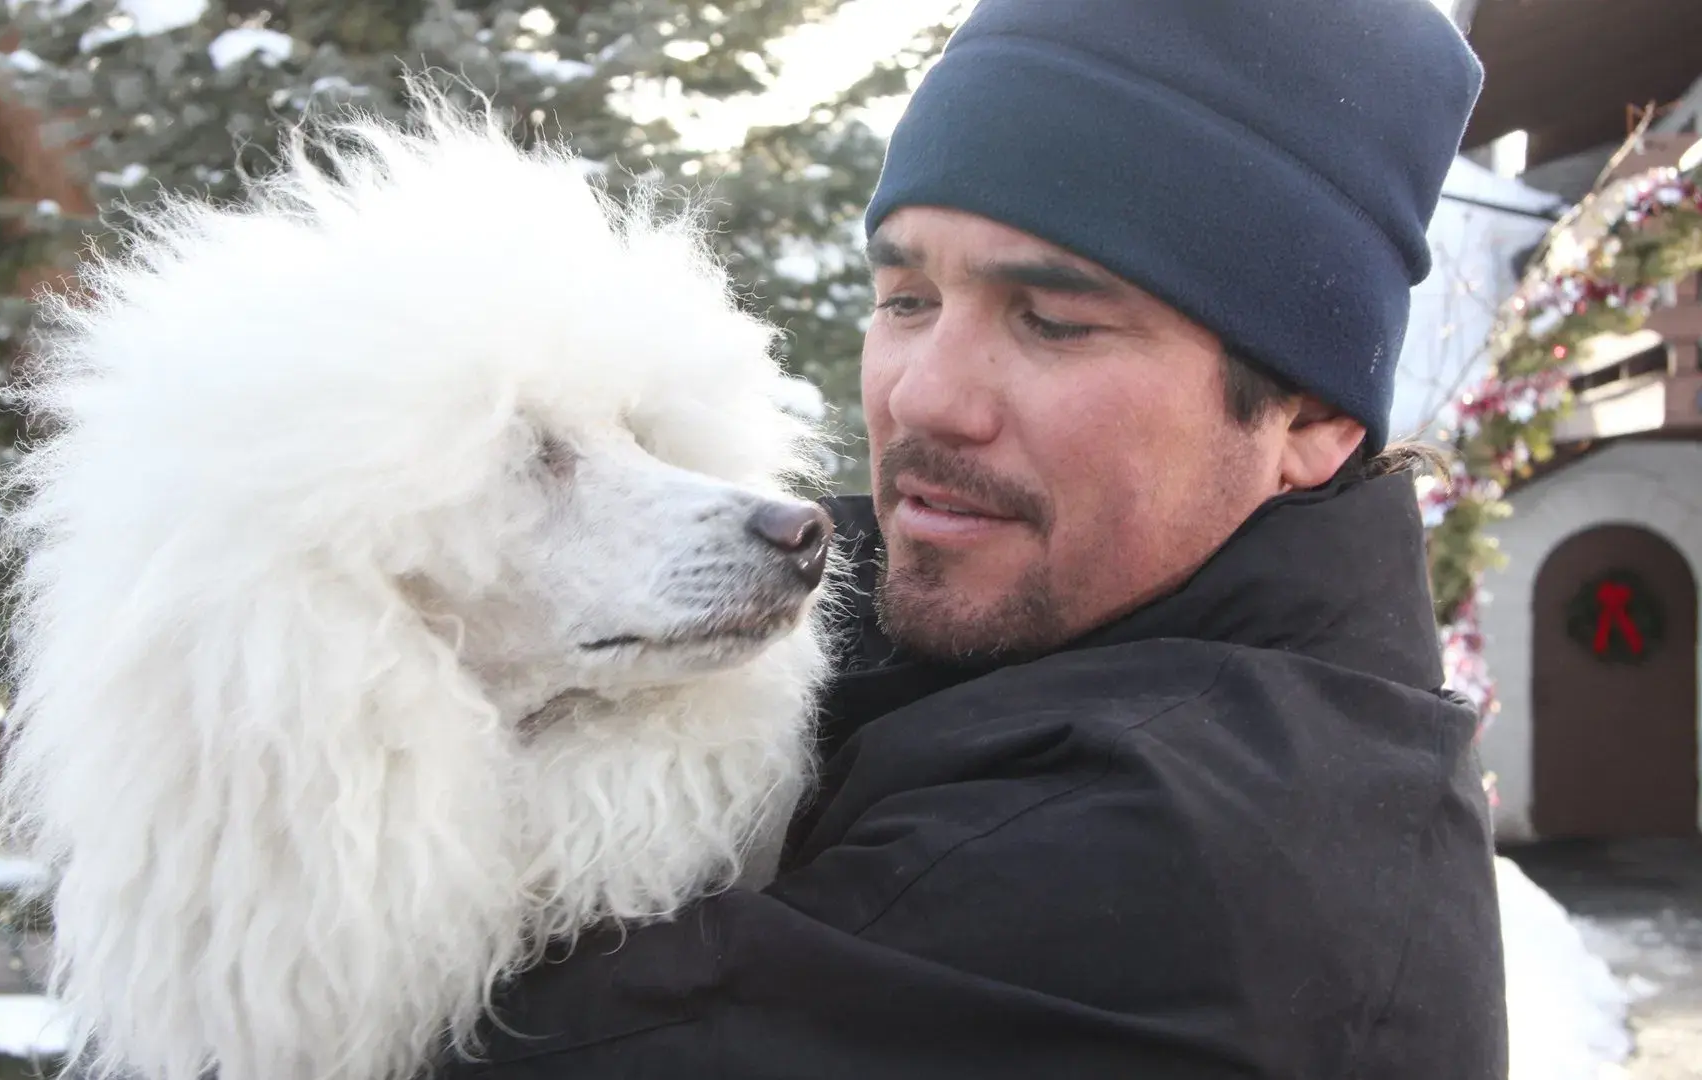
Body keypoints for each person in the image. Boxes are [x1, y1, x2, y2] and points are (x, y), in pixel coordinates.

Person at [439, 0, 1507, 1075]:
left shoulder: (1170, 856)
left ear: (1310, 419)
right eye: (906, 298)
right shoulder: (1025, 614)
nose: (924, 395)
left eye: (1052, 320)